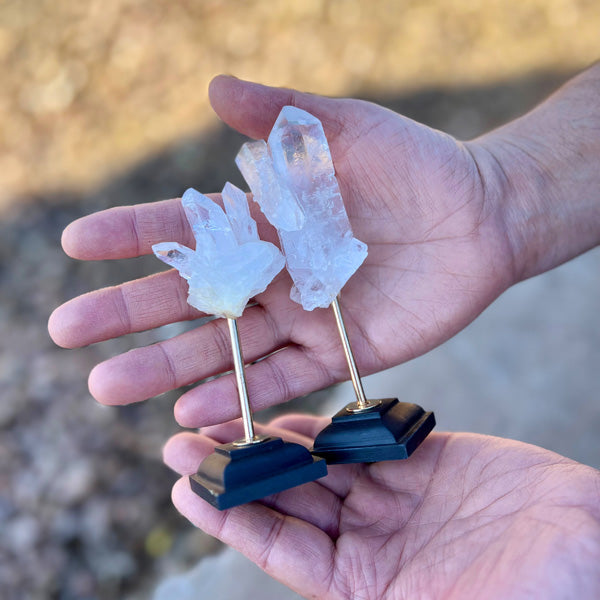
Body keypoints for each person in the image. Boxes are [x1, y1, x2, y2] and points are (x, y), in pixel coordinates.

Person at [48, 65, 600, 599]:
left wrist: (494, 195)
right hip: (289, 271)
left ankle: (341, 405)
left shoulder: (302, 183)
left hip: (321, 259)